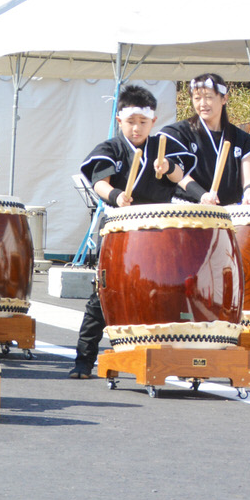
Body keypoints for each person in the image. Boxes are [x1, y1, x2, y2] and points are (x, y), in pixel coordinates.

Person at [71, 84, 196, 379]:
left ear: (153, 122)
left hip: (160, 235)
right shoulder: (111, 148)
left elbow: (183, 180)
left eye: (143, 122)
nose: (137, 128)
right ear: (119, 120)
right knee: (104, 295)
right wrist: (115, 195)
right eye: (130, 122)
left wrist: (202, 194)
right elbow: (100, 181)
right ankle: (83, 360)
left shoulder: (163, 150)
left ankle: (176, 358)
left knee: (171, 293)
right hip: (122, 233)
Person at [164, 73, 250, 205]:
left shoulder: (241, 139)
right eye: (197, 98)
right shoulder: (179, 133)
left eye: (209, 97)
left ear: (224, 98)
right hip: (187, 207)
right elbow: (179, 175)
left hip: (227, 212)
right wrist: (201, 194)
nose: (202, 104)